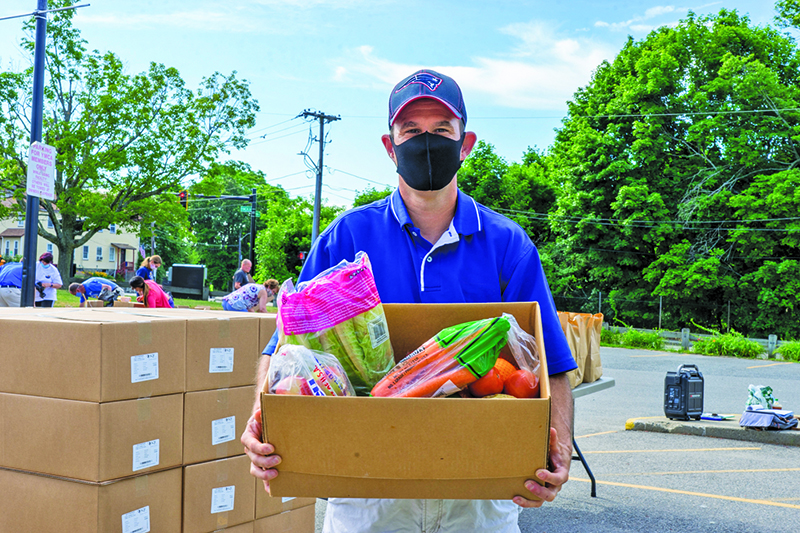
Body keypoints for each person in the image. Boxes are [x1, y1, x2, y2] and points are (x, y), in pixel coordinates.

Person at [242, 69, 578, 533]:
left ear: (466, 143)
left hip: (478, 495)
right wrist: (262, 421)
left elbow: (552, 365)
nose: (426, 142)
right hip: (367, 491)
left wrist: (557, 447)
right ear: (389, 145)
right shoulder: (347, 236)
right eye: (411, 131)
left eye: (441, 131)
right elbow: (285, 350)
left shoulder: (507, 244)